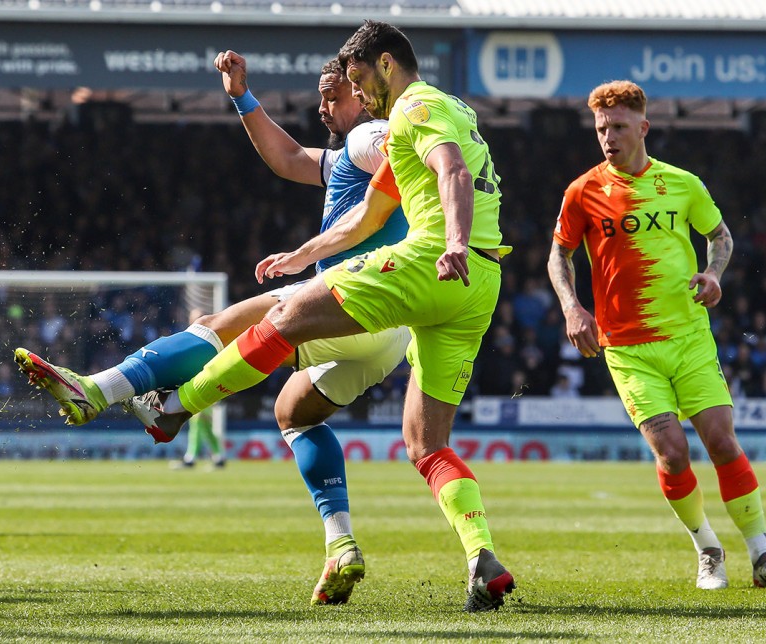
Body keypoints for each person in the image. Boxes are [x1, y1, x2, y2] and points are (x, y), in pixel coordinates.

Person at [132, 20, 515, 612]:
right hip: (478, 286)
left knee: (283, 320)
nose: (359, 95)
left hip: (433, 263)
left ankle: (177, 409)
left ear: (386, 64)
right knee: (424, 443)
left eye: (359, 80)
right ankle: (481, 556)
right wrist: (302, 256)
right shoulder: (448, 114)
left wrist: (454, 241)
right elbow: (363, 220)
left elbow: (453, 173)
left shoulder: (415, 106)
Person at [14, 54, 411, 605]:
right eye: (319, 97)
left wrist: (309, 252)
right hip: (390, 335)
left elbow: (388, 147)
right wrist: (242, 97)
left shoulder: (373, 132)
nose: (322, 108)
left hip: (352, 293)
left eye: (333, 96)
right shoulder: (347, 152)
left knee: (219, 326)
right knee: (292, 414)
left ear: (364, 91)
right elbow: (289, 157)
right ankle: (341, 543)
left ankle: (99, 390)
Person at [546, 79, 766, 590]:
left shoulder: (684, 184)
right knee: (672, 451)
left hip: (689, 339)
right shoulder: (582, 191)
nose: (608, 137)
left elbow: (721, 236)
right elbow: (559, 253)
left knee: (722, 443)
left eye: (618, 127)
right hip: (629, 349)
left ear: (643, 127)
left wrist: (715, 274)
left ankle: (763, 556)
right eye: (601, 128)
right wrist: (573, 307)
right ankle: (708, 549)